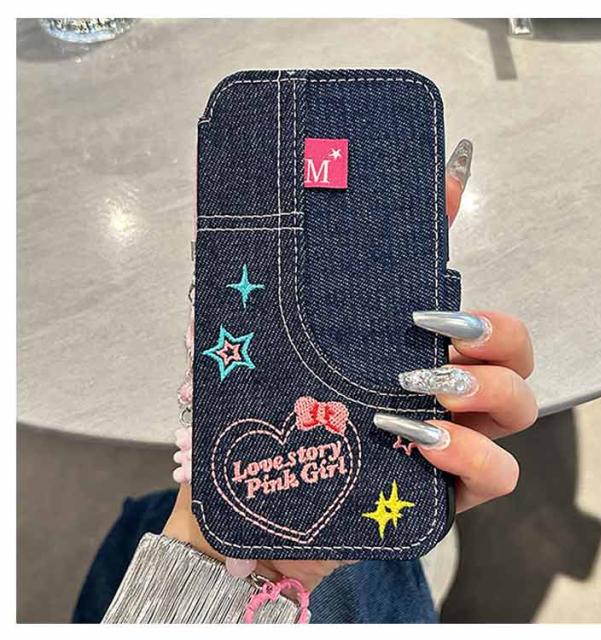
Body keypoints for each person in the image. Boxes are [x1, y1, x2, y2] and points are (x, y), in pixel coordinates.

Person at [74, 140, 537, 624]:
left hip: (222, 559)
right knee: (379, 562)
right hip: (258, 550)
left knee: (148, 520)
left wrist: (231, 558)